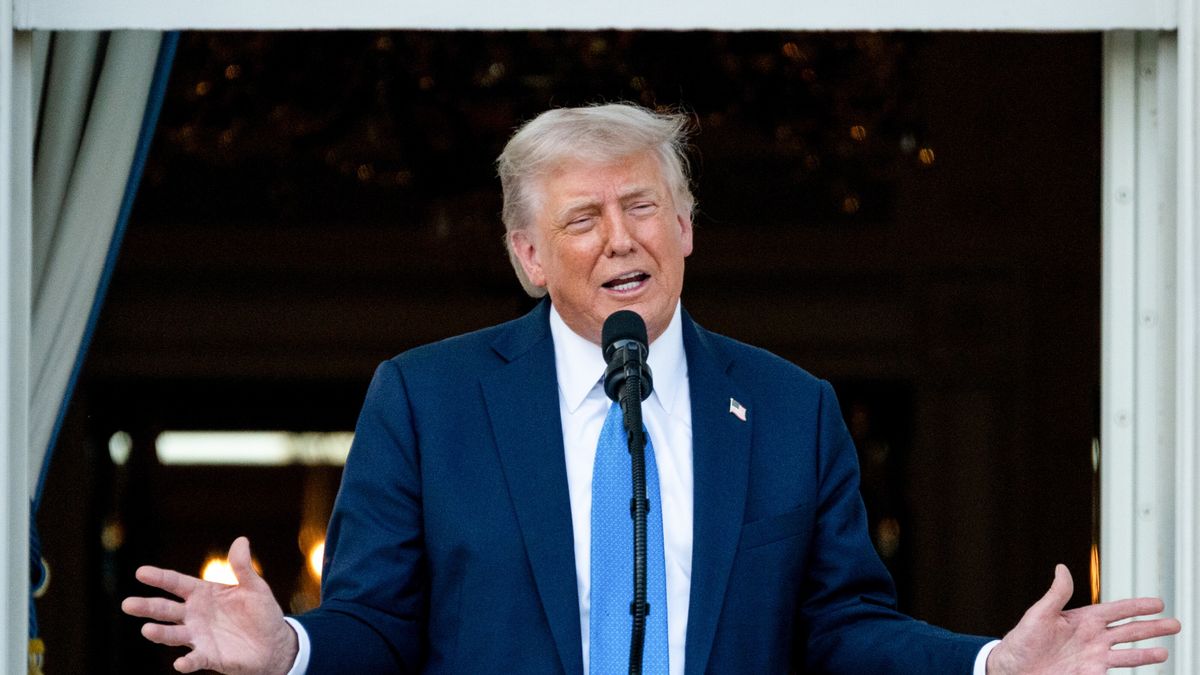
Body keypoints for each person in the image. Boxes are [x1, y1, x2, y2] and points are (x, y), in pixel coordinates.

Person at [123, 103, 1180, 674]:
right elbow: (382, 626)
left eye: (643, 207)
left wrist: (989, 667)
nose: (621, 238)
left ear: (684, 230)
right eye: (584, 220)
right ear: (529, 255)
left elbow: (841, 630)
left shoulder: (789, 409)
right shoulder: (428, 400)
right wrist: (291, 649)